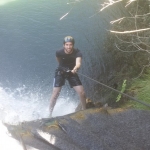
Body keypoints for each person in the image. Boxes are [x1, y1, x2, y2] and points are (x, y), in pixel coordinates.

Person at [49, 36, 86, 117]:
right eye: (67, 45)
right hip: (61, 71)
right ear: (64, 45)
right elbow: (58, 61)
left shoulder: (77, 52)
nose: (68, 47)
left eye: (70, 45)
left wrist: (75, 68)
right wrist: (62, 67)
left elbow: (78, 63)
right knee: (55, 94)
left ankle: (84, 110)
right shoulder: (59, 52)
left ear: (73, 45)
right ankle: (49, 114)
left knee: (82, 92)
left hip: (72, 72)